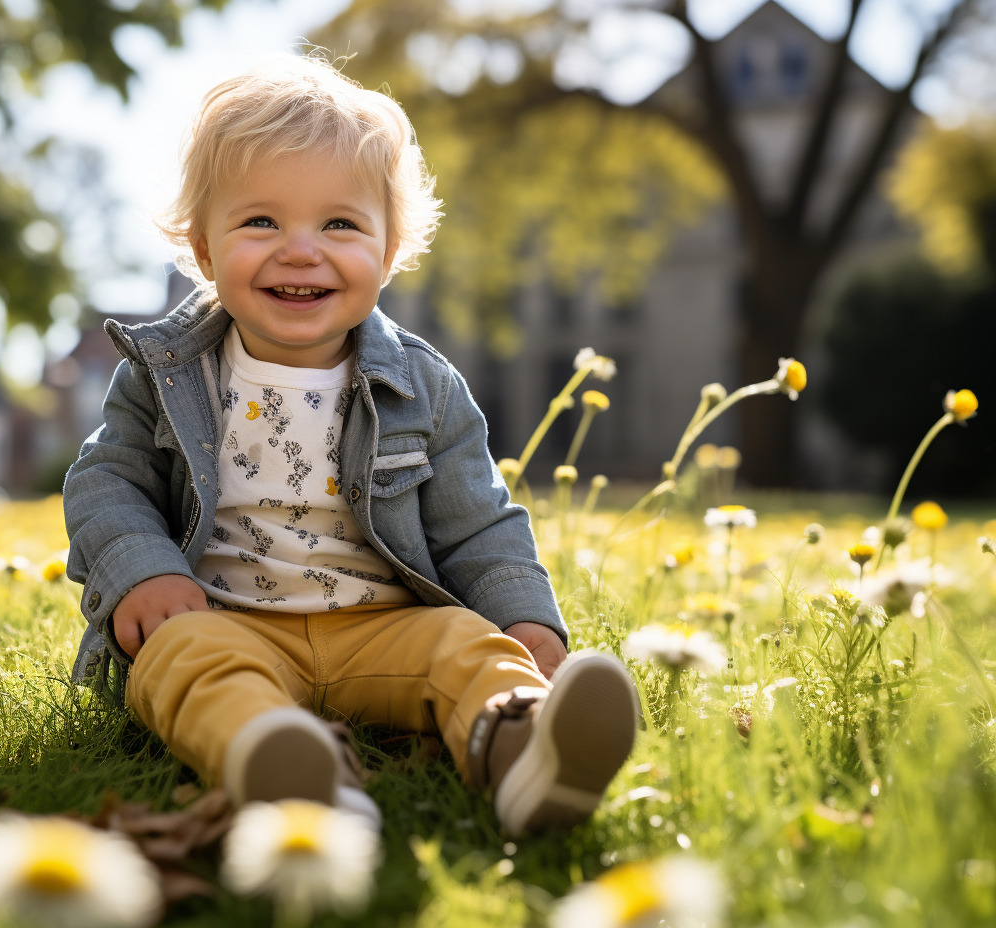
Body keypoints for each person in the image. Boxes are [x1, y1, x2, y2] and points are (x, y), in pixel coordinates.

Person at [63, 55, 639, 834]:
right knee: (177, 660)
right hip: (227, 620)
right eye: (260, 221)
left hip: (385, 628)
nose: (301, 250)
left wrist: (526, 621)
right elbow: (107, 480)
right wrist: (143, 573)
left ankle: (526, 742)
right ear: (203, 250)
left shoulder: (425, 389)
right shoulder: (167, 372)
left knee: (466, 645)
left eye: (340, 224)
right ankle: (276, 756)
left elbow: (479, 523)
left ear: (390, 248)